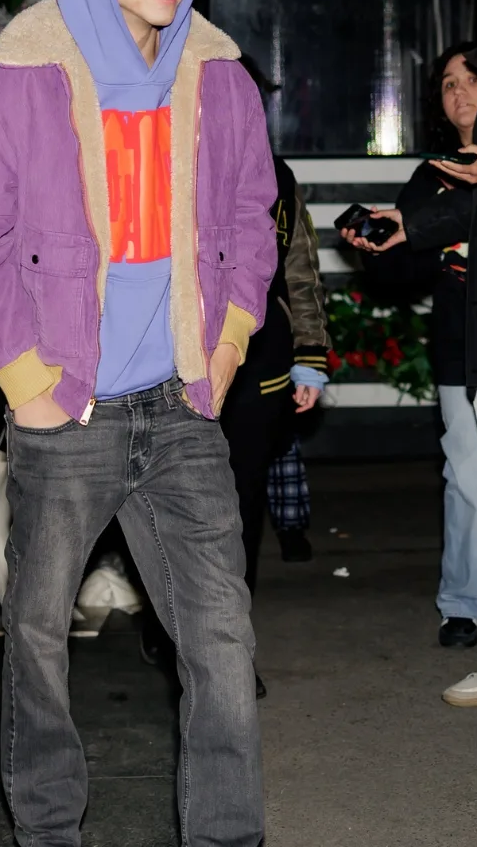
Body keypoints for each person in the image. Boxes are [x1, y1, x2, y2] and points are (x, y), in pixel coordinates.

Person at [0, 0, 277, 846]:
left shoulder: (219, 77)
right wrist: (26, 381)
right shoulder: (13, 74)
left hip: (181, 406)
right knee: (36, 648)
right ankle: (49, 835)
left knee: (222, 643)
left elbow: (254, 218)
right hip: (66, 409)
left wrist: (231, 340)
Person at [139, 57, 331, 699]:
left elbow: (298, 267)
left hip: (258, 368)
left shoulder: (274, 172)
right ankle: (172, 630)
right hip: (167, 357)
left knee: (239, 508)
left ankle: (223, 650)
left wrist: (311, 350)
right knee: (167, 502)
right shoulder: (154, 156)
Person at [344, 0, 477, 705]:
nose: (457, 95)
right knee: (466, 477)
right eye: (446, 85)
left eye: (470, 80)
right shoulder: (432, 175)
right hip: (462, 343)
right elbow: (402, 263)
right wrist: (372, 241)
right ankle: (464, 604)